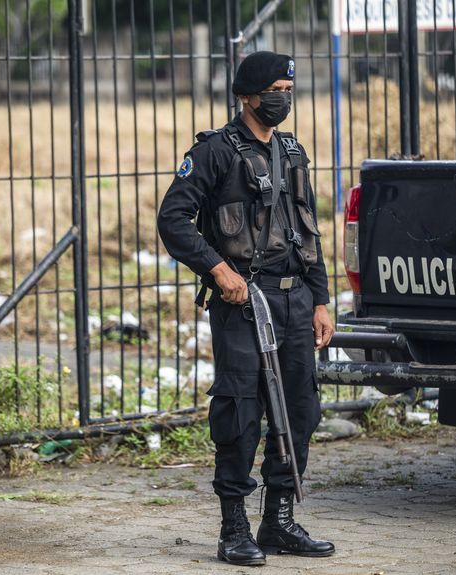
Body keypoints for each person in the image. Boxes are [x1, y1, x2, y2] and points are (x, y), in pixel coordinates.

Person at [157, 51, 335, 566]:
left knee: (299, 410)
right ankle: (233, 528)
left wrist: (321, 300)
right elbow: (173, 219)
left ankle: (278, 522)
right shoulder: (214, 151)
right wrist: (217, 269)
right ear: (246, 96)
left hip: (295, 300)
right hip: (243, 301)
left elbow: (307, 230)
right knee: (240, 413)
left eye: (288, 90)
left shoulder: (292, 152)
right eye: (274, 91)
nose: (283, 99)